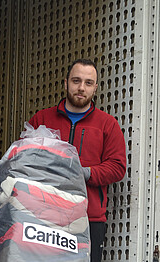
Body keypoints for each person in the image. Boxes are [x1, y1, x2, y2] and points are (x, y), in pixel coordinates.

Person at [28, 59, 126, 262]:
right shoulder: (41, 120)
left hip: (88, 220)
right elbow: (22, 160)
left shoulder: (108, 124)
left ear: (96, 88)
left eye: (88, 83)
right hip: (44, 217)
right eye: (76, 81)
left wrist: (85, 172)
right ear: (65, 83)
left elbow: (117, 167)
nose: (81, 88)